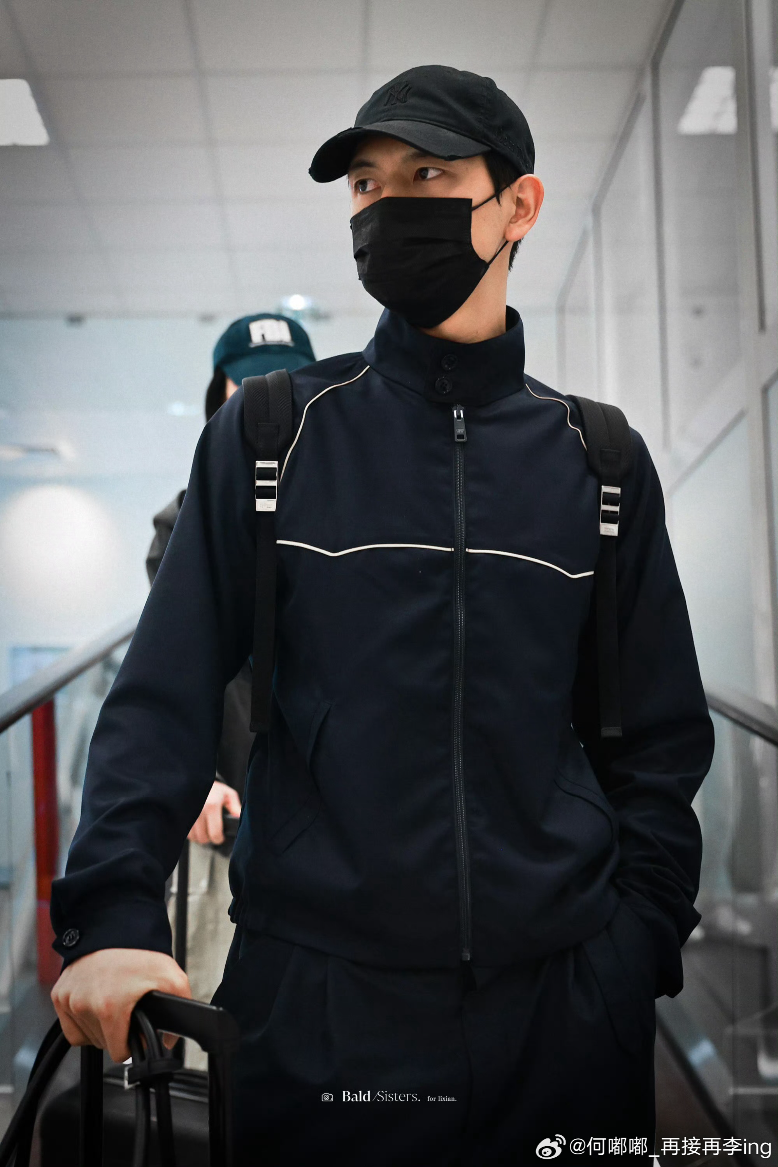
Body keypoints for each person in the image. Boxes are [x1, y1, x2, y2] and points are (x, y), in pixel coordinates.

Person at [49, 66, 714, 1167]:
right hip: (318, 1008)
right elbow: (160, 698)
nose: (388, 204)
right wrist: (112, 918)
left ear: (518, 205)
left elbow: (659, 737)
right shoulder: (273, 437)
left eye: (429, 175)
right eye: (367, 183)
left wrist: (631, 947)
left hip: (562, 1008)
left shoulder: (596, 460)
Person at [145, 315, 316, 1068]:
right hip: (227, 829)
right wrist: (197, 778)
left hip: (339, 835)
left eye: (284, 384)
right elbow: (175, 672)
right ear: (217, 398)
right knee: (216, 1043)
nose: (266, 402)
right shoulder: (186, 524)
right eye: (245, 387)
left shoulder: (350, 513)